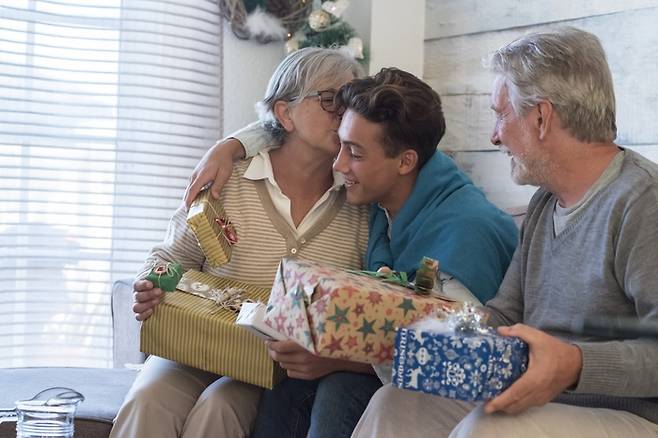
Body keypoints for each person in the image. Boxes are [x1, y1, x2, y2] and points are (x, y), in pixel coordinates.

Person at [351, 27, 658, 437]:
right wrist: (410, 316)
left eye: (500, 114)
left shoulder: (641, 201)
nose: (495, 136)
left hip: (630, 416)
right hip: (541, 398)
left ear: (541, 118)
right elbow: (503, 316)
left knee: (488, 430)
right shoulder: (545, 203)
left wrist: (573, 363)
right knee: (397, 404)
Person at [184, 68, 518, 438]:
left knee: (339, 389)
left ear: (405, 162)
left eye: (354, 153)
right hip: (383, 366)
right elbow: (292, 124)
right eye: (341, 144)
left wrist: (339, 359)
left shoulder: (464, 233)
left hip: (454, 387)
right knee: (288, 386)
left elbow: (454, 361)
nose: (338, 164)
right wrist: (230, 146)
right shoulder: (390, 196)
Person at [109, 47, 373, 438]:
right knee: (148, 398)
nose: (343, 113)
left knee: (221, 408)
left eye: (352, 102)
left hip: (266, 365)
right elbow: (168, 258)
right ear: (285, 114)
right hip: (193, 343)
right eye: (331, 99)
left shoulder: (359, 205)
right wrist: (150, 283)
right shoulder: (228, 178)